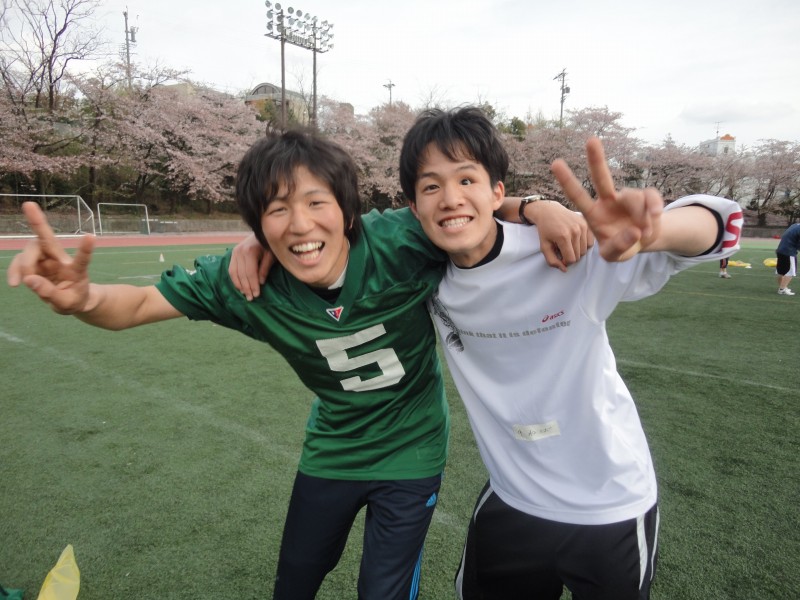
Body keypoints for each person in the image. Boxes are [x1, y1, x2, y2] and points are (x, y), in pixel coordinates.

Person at [6, 130, 590, 600]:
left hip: (412, 451)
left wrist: (536, 206)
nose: (301, 224)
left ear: (348, 210)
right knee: (295, 580)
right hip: (333, 450)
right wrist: (83, 300)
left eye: (316, 202)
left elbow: (460, 208)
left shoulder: (399, 241)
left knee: (383, 591)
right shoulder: (243, 280)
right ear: (257, 224)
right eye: (277, 209)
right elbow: (135, 304)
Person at [396, 107, 742, 599]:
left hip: (611, 505)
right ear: (413, 207)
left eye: (467, 179)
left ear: (496, 192)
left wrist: (654, 233)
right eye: (431, 186)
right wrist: (531, 204)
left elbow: (723, 223)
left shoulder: (565, 247)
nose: (450, 198)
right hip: (511, 499)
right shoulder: (422, 270)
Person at [775, 223, 800, 295]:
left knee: (781, 271)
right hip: (789, 251)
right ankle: (782, 289)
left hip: (780, 249)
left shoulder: (795, 225)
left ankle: (782, 288)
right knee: (790, 272)